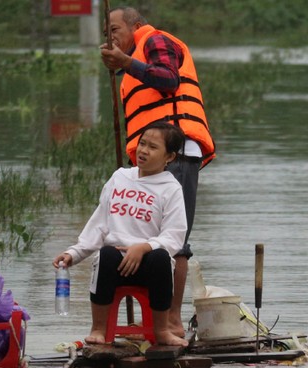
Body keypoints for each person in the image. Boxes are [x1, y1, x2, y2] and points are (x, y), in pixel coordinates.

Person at [100, 6, 216, 338]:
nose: (109, 37)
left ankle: (171, 323)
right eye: (105, 33)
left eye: (114, 29)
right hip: (152, 160)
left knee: (172, 239)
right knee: (144, 238)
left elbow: (168, 79)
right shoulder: (132, 63)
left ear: (136, 26)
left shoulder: (154, 40)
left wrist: (125, 62)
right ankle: (156, 322)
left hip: (174, 155)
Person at [53, 122, 190, 347]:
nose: (143, 151)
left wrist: (143, 247)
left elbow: (174, 236)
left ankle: (162, 330)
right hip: (116, 263)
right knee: (106, 254)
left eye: (153, 147)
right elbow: (99, 224)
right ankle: (99, 329)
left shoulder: (171, 188)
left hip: (149, 263)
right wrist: (73, 253)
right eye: (142, 143)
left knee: (162, 258)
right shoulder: (120, 177)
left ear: (170, 157)